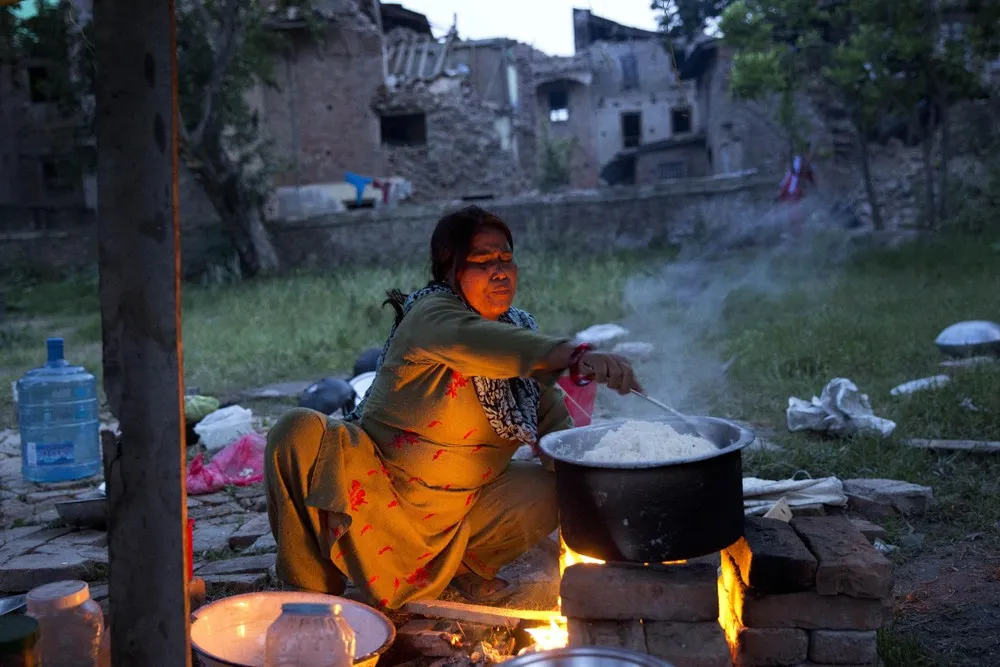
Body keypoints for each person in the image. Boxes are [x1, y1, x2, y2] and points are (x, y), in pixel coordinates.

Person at [264, 205, 642, 610]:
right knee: (297, 430)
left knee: (556, 488)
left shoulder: (519, 338)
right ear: (450, 267)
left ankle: (459, 569)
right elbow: (479, 342)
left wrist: (616, 485)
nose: (500, 272)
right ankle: (312, 592)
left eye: (506, 260)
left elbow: (557, 435)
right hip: (378, 489)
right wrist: (571, 356)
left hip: (455, 516)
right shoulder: (433, 315)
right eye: (482, 261)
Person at [777, 146, 817, 238]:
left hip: (794, 192)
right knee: (793, 213)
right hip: (791, 193)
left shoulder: (805, 164)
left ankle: (797, 233)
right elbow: (792, 180)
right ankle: (795, 233)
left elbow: (811, 178)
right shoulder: (798, 163)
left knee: (797, 213)